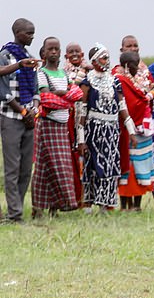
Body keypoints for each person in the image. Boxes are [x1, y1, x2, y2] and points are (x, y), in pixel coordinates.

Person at [78, 44, 135, 210]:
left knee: (110, 166)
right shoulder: (87, 82)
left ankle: (105, 205)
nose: (107, 61)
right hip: (94, 130)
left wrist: (131, 131)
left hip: (111, 131)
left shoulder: (114, 81)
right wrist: (81, 140)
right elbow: (82, 112)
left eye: (108, 57)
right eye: (104, 58)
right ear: (94, 61)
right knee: (92, 166)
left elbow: (122, 107)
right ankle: (88, 206)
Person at [31, 37, 81, 217]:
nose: (53, 52)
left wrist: (62, 96)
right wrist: (65, 96)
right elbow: (45, 99)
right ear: (43, 53)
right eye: (50, 49)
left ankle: (52, 208)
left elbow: (76, 94)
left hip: (62, 124)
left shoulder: (63, 73)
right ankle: (49, 206)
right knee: (54, 166)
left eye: (56, 49)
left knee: (51, 167)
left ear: (60, 52)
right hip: (47, 124)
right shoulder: (41, 73)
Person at [116, 35, 154, 212]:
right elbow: (136, 99)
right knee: (126, 163)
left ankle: (138, 205)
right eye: (129, 46)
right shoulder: (118, 74)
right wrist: (153, 92)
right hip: (126, 126)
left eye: (136, 45)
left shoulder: (145, 72)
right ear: (121, 50)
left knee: (144, 162)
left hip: (147, 125)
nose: (133, 48)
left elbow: (150, 96)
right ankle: (125, 204)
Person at [0, 19, 40, 223]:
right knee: (12, 167)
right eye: (28, 33)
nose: (32, 37)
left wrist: (33, 110)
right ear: (17, 32)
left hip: (28, 118)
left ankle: (16, 210)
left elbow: (35, 89)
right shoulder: (5, 56)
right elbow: (4, 92)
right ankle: (14, 214)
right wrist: (23, 112)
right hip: (11, 117)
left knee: (26, 169)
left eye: (33, 33)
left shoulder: (31, 58)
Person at [63, 42, 89, 206]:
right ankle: (71, 199)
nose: (74, 54)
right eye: (70, 52)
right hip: (67, 121)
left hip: (85, 121)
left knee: (84, 160)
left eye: (77, 52)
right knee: (70, 162)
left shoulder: (90, 71)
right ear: (65, 56)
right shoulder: (62, 73)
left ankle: (84, 200)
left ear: (82, 54)